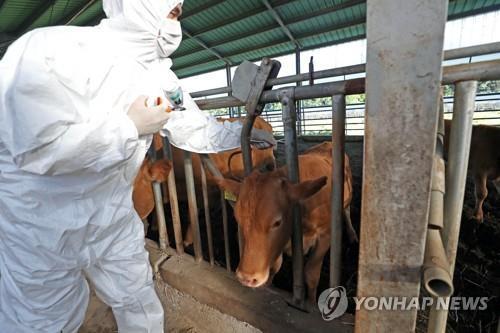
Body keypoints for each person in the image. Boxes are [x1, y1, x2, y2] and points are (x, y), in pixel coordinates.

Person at [0, 0, 275, 332]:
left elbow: (192, 126)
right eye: (170, 9)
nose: (176, 19)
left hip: (112, 215)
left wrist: (242, 135)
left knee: (138, 299)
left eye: (178, 11)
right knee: (42, 320)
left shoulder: (160, 77)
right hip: (40, 225)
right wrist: (128, 127)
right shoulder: (49, 50)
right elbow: (36, 149)